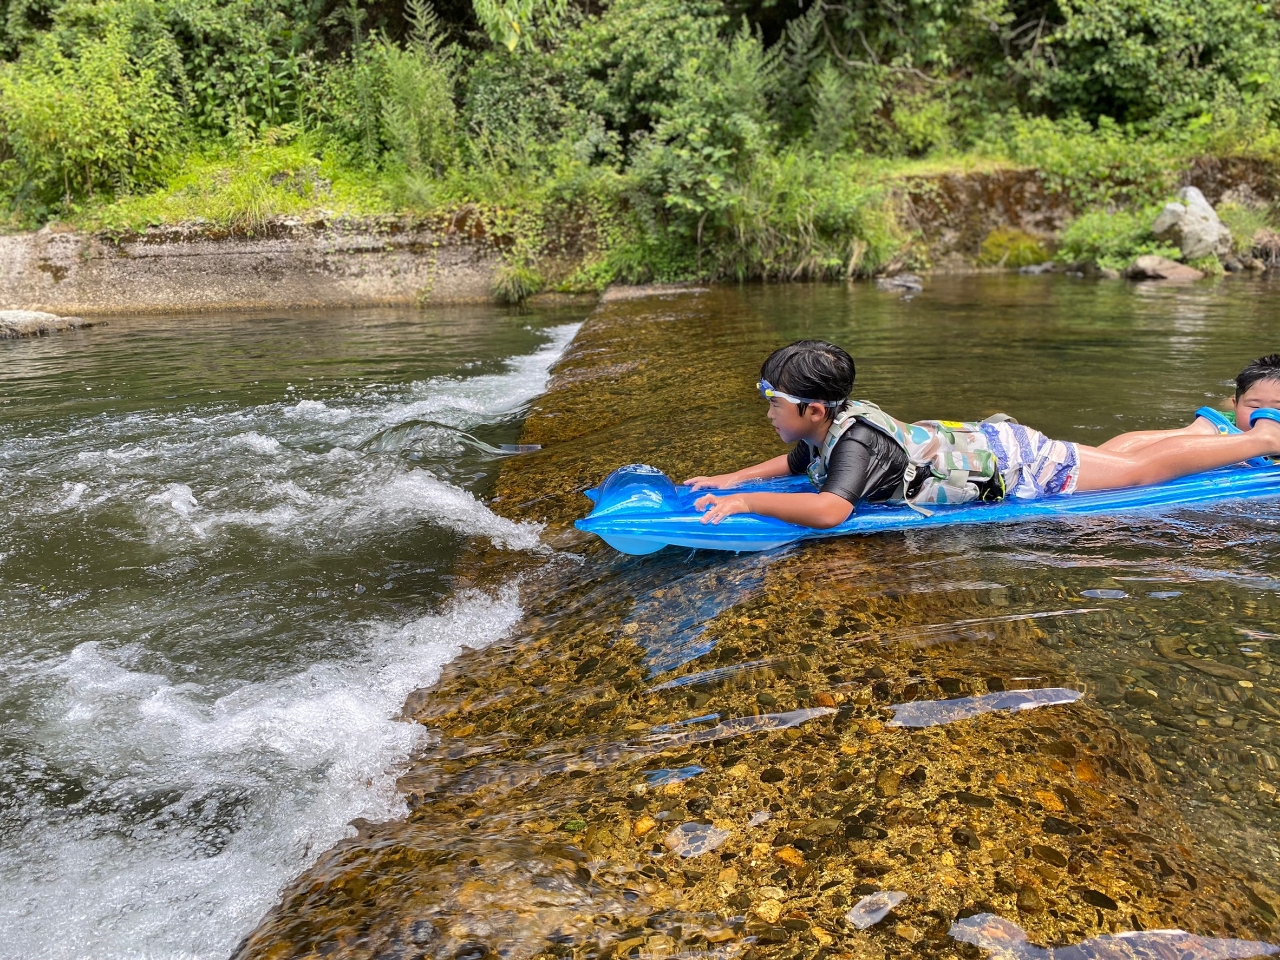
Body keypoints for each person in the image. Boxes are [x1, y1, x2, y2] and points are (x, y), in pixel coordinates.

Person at [686, 342, 1280, 529]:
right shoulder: (833, 427)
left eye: (774, 400)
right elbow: (797, 467)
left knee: (1129, 474)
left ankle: (1261, 442)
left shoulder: (857, 442)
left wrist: (742, 503)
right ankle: (1204, 432)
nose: (766, 408)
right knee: (1103, 455)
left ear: (816, 410)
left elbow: (829, 509)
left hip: (1016, 466)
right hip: (989, 446)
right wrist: (732, 477)